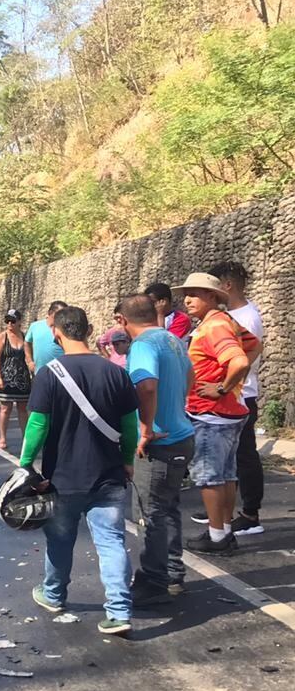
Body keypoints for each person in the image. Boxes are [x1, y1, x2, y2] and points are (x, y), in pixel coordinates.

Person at [18, 306, 138, 636]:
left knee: (59, 539)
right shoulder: (115, 372)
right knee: (112, 542)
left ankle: (54, 595)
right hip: (108, 475)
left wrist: (25, 464)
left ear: (56, 332)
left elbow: (38, 425)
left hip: (64, 478)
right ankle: (119, 611)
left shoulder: (49, 373)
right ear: (87, 330)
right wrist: (127, 459)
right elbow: (130, 427)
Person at [115, 294, 195, 605]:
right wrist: (176, 407)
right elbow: (190, 375)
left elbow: (146, 385)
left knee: (149, 514)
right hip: (181, 435)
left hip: (158, 443)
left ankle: (154, 581)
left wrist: (145, 429)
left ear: (123, 321)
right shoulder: (172, 340)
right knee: (168, 508)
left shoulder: (144, 345)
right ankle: (173, 574)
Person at [175, 273, 255, 554]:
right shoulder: (222, 322)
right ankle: (223, 530)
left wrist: (222, 387)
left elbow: (240, 360)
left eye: (194, 293)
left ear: (212, 297)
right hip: (227, 412)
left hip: (211, 413)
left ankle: (217, 535)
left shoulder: (214, 327)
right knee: (226, 475)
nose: (187, 299)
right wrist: (231, 386)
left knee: (209, 477)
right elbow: (252, 345)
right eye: (187, 293)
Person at [206, 261, 265, 536]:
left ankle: (250, 513)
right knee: (230, 457)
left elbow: (246, 357)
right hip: (233, 394)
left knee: (244, 456)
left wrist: (223, 386)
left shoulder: (246, 317)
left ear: (227, 286)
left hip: (242, 395)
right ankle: (223, 509)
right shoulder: (232, 314)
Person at [0, 309, 31, 451]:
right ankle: (2, 437)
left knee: (22, 409)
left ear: (19, 322)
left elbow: (28, 356)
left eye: (13, 321)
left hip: (22, 378)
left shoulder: (24, 336)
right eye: (7, 320)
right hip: (6, 377)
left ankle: (25, 438)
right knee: (5, 408)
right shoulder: (2, 337)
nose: (9, 323)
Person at [24, 301, 66, 373]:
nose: (62, 317)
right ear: (50, 312)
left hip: (61, 374)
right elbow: (27, 343)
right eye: (59, 314)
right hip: (39, 373)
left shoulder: (65, 329)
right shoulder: (35, 326)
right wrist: (30, 361)